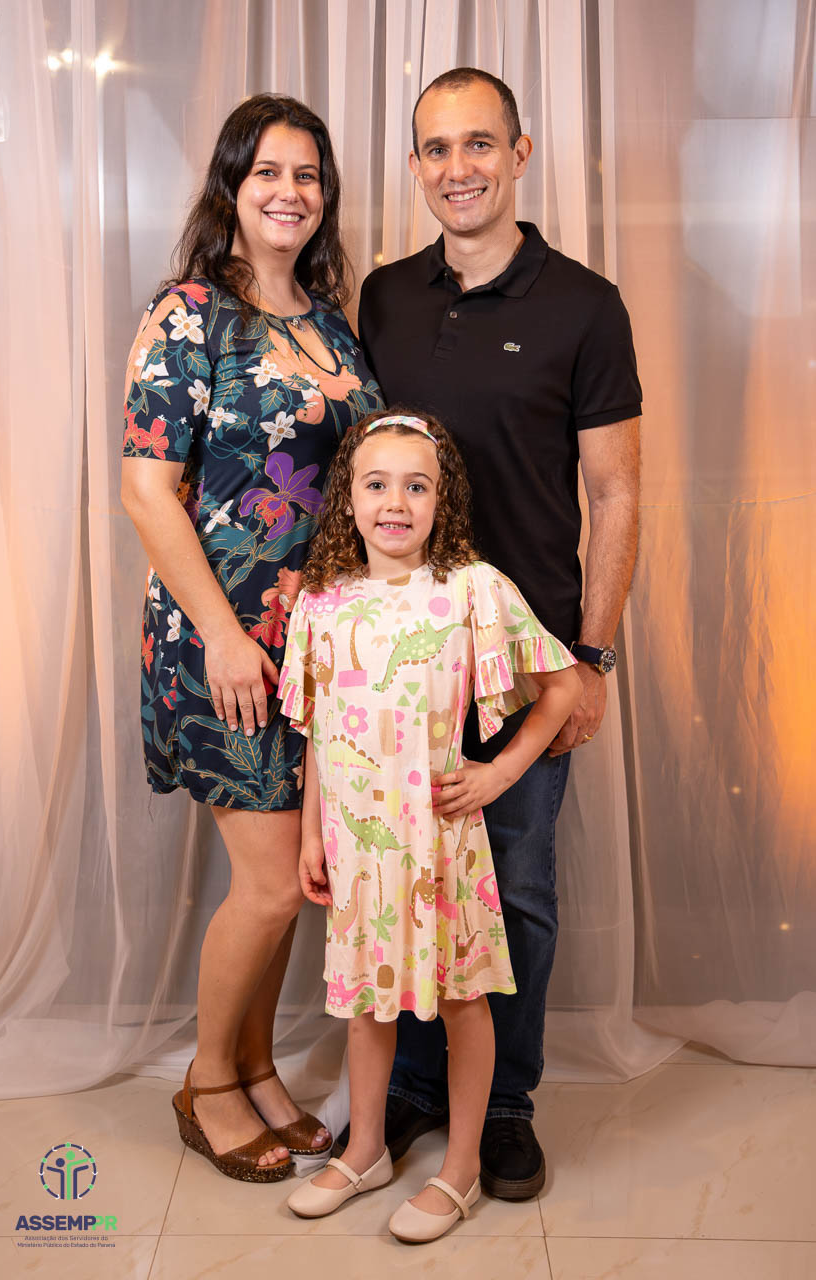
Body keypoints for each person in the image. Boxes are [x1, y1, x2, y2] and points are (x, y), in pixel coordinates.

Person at [354, 68, 643, 1200]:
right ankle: (418, 1086)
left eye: (478, 144)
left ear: (520, 154)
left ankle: (507, 1103)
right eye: (435, 148)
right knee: (403, 877)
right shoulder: (384, 296)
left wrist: (592, 657)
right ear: (415, 165)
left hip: (525, 665)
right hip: (396, 662)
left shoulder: (586, 305)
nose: (457, 168)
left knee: (513, 889)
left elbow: (615, 493)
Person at [121, 94, 383, 1182]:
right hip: (220, 642)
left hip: (311, 647)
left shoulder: (330, 320)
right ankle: (209, 1083)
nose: (289, 191)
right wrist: (226, 636)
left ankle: (258, 1066)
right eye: (267, 171)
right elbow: (146, 492)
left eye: (307, 175)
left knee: (293, 884)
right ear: (231, 186)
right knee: (272, 884)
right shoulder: (191, 314)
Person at [277, 411, 581, 1241]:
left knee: (459, 998)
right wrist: (311, 835)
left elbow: (560, 686)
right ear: (347, 498)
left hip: (438, 844)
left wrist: (498, 773)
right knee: (365, 1004)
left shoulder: (472, 590)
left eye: (417, 486)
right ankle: (365, 1149)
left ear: (442, 500)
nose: (395, 503)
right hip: (357, 845)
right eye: (376, 484)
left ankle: (462, 1167)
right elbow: (317, 731)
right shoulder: (323, 603)